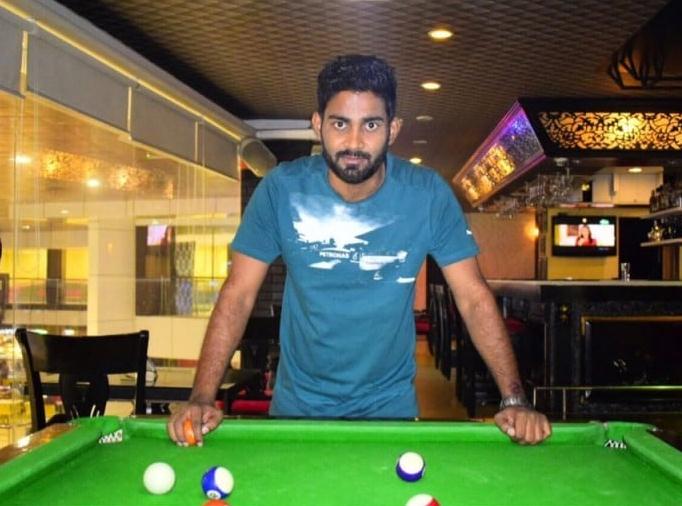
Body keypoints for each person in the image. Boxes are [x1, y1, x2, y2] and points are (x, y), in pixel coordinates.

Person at [168, 54, 551, 446]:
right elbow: (238, 294)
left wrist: (514, 399)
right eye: (340, 123)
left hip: (389, 409)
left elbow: (473, 297)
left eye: (370, 124)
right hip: (299, 408)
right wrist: (202, 396)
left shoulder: (428, 194)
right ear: (318, 125)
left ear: (393, 129)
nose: (354, 142)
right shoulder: (280, 190)